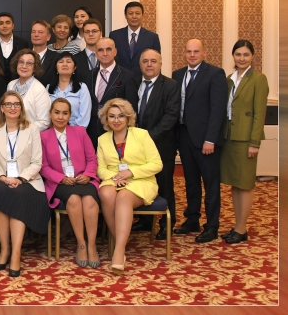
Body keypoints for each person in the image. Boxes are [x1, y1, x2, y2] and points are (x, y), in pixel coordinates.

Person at [0, 91, 49, 277]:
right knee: (2, 192)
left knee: (17, 194)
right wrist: (3, 178)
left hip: (28, 180)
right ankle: (5, 249)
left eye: (16, 104)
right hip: (0, 179)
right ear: (2, 108)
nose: (12, 108)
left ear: (21, 108)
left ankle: (16, 253)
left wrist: (20, 179)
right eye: (8, 104)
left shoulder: (32, 129)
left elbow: (36, 162)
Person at [96, 98, 162, 275]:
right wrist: (115, 177)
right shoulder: (102, 139)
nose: (116, 120)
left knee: (124, 196)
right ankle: (120, 242)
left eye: (121, 116)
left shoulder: (142, 135)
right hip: (114, 179)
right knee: (106, 193)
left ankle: (118, 251)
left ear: (128, 118)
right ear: (106, 119)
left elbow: (157, 164)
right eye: (112, 116)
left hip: (141, 180)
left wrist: (131, 172)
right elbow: (101, 168)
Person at [171, 39, 227, 243]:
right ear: (184, 53)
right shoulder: (177, 75)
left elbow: (218, 110)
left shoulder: (215, 74)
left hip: (206, 139)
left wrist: (210, 139)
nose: (192, 55)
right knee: (191, 181)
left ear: (204, 53)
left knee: (210, 184)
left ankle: (212, 226)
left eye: (196, 51)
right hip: (184, 136)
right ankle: (192, 219)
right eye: (189, 51)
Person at [40, 98, 100, 268]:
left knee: (89, 200)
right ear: (50, 114)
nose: (60, 117)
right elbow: (43, 166)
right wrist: (61, 178)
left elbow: (92, 158)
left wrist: (88, 175)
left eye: (65, 113)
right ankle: (81, 244)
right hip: (59, 182)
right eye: (57, 112)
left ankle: (92, 245)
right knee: (73, 199)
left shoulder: (80, 132)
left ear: (70, 115)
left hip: (83, 178)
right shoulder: (43, 137)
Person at [220, 40, 269, 244]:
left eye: (246, 54)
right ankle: (237, 225)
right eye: (238, 54)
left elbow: (259, 113)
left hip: (246, 139)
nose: (242, 58)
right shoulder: (229, 79)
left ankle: (242, 228)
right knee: (235, 183)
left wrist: (254, 142)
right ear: (233, 56)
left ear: (252, 56)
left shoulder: (258, 79)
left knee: (246, 184)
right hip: (229, 138)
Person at [131, 49, 180, 239]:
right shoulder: (134, 83)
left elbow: (171, 116)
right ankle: (145, 221)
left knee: (164, 185)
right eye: (145, 61)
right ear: (140, 64)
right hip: (136, 147)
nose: (149, 65)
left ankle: (167, 225)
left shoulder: (170, 86)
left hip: (161, 146)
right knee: (141, 183)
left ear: (160, 63)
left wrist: (147, 139)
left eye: (153, 61)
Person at [85, 38, 138, 147]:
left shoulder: (127, 76)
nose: (105, 53)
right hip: (91, 134)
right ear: (96, 53)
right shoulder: (89, 76)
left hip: (116, 133)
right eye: (100, 50)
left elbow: (131, 109)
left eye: (108, 49)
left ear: (115, 51)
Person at [109, 1, 161, 78]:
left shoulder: (152, 37)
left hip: (143, 80)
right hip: (119, 80)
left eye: (137, 13)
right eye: (130, 13)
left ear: (142, 15)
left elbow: (157, 62)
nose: (134, 16)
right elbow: (110, 59)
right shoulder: (115, 35)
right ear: (125, 16)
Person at [6, 49, 51, 131]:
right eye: (21, 62)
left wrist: (22, 131)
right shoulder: (11, 85)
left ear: (35, 67)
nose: (24, 66)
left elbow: (44, 122)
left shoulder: (39, 90)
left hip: (29, 136)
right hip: (10, 132)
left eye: (29, 63)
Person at [47, 52, 92, 128]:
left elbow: (84, 117)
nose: (64, 64)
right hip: (52, 130)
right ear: (56, 67)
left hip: (75, 131)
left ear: (75, 67)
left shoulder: (82, 88)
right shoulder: (48, 88)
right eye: (61, 62)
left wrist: (69, 131)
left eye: (68, 62)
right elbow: (46, 113)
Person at [0, 12, 30, 80]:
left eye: (8, 23)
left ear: (13, 25)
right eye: (1, 23)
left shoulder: (23, 44)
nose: (5, 26)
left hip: (18, 83)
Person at [47, 14, 90, 82]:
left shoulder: (75, 49)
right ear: (53, 29)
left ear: (69, 30)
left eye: (66, 28)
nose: (62, 30)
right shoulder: (48, 48)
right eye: (59, 27)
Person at [31, 20, 56, 88]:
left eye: (40, 32)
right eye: (33, 32)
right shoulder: (22, 56)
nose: (36, 35)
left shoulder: (56, 58)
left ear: (48, 37)